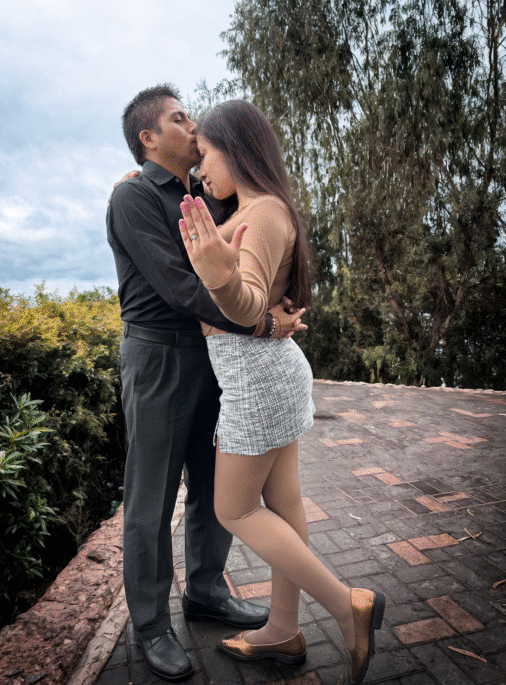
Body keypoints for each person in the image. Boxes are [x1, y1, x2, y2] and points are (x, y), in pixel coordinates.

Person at [178, 99, 385, 685]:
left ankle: (347, 606)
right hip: (265, 372)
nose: (200, 169)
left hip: (255, 378)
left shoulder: (264, 212)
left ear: (234, 146)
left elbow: (245, 306)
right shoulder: (253, 209)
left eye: (204, 154)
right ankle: (283, 630)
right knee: (285, 504)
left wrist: (216, 272)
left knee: (234, 509)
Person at [106, 84, 309, 683]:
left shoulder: (207, 197)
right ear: (148, 138)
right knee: (151, 497)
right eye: (179, 118)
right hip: (159, 358)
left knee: (210, 485)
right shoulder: (135, 197)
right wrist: (263, 323)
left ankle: (205, 593)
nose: (194, 128)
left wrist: (268, 308)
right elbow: (181, 286)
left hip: (213, 358)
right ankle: (150, 625)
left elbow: (241, 267)